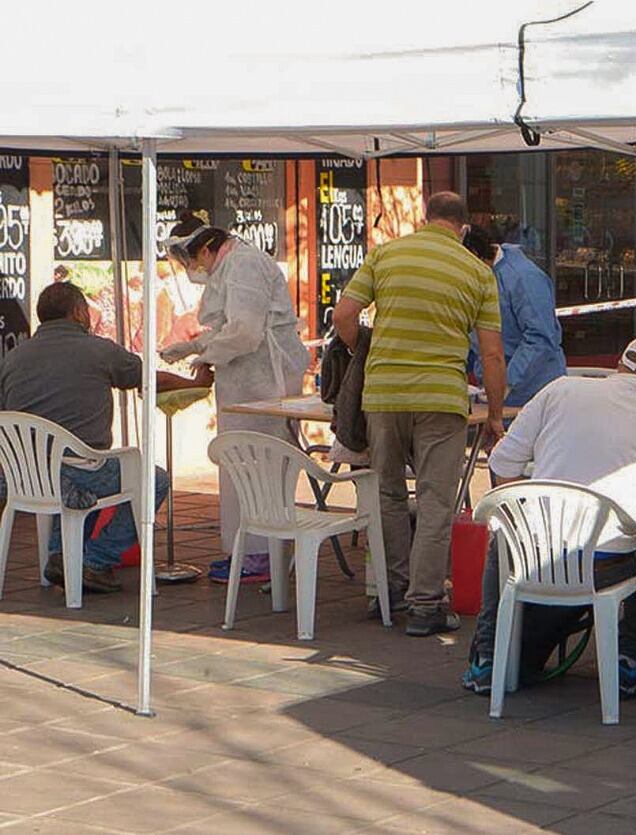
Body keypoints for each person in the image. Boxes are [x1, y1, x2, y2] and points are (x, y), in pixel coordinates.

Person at [462, 334, 636, 696]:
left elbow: (503, 461)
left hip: (537, 557)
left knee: (503, 534)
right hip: (606, 563)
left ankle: (487, 657)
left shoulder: (560, 389)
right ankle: (629, 661)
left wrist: (521, 520)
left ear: (619, 367)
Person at [333, 192, 507, 637]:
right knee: (435, 501)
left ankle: (392, 593)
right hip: (441, 399)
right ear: (463, 227)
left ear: (424, 218)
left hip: (384, 396)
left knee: (388, 493)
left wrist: (361, 351)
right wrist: (495, 414)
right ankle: (426, 606)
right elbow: (491, 355)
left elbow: (345, 314)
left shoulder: (386, 254)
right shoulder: (478, 272)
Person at [0, 281, 213, 592]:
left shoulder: (14, 358)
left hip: (22, 477)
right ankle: (95, 559)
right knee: (151, 479)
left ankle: (62, 556)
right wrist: (196, 381)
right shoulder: (97, 350)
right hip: (78, 471)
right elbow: (149, 380)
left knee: (84, 463)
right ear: (77, 312)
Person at [160, 212, 310, 584]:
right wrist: (194, 346)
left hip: (265, 384)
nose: (192, 267)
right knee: (238, 464)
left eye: (193, 258)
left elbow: (244, 332)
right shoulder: (230, 266)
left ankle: (262, 553)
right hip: (244, 383)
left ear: (210, 247)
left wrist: (204, 356)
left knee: (260, 465)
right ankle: (246, 548)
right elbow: (230, 326)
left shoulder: (244, 265)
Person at [463, 225, 566, 407]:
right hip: (496, 391)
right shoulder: (481, 278)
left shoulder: (524, 277)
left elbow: (541, 338)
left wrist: (505, 382)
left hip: (536, 393)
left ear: (475, 255)